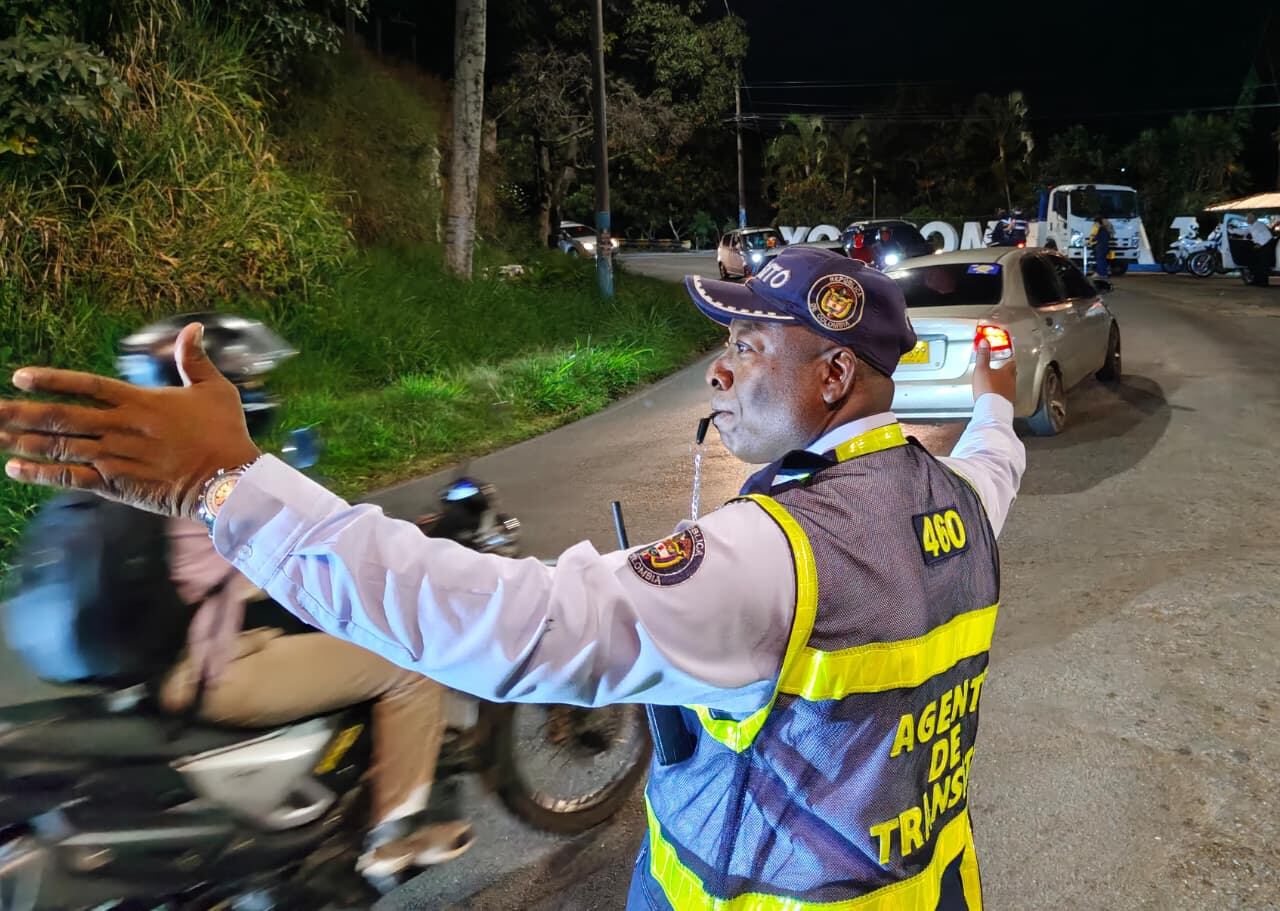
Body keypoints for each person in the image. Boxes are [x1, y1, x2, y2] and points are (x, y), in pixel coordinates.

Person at [0, 248, 1025, 910]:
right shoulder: (957, 504)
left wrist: (227, 482)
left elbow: (508, 624)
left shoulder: (774, 552)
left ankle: (393, 826)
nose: (718, 370)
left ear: (833, 377)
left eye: (748, 345)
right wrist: (991, 395)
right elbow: (996, 454)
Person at [116, 313, 473, 881]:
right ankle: (395, 837)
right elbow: (303, 554)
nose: (254, 392)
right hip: (209, 668)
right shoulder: (213, 473)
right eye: (244, 379)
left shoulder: (133, 462)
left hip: (176, 654)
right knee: (411, 666)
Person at [1242, 212, 1276, 287]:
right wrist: (1231, 230)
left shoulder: (1260, 225)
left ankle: (1264, 283)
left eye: (1249, 217)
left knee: (1263, 264)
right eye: (1247, 217)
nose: (1247, 219)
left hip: (1266, 245)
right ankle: (1257, 281)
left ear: (1253, 218)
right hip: (1259, 246)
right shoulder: (1250, 226)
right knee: (1257, 263)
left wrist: (1260, 244)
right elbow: (1243, 232)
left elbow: (1268, 235)